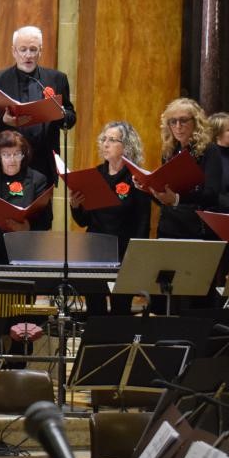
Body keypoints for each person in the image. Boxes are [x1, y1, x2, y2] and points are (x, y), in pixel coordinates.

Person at [0, 26, 75, 200]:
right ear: (14, 51)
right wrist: (4, 121)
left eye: (33, 49)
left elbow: (70, 117)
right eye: (23, 49)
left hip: (43, 162)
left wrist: (59, 114)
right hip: (7, 161)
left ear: (41, 51)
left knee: (41, 220)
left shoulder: (57, 79)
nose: (28, 55)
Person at [68, 121, 151, 315]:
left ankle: (117, 344)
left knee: (120, 310)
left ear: (127, 145)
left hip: (123, 253)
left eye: (112, 140)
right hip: (95, 252)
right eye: (104, 139)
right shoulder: (96, 174)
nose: (105, 144)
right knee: (95, 309)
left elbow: (143, 222)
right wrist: (75, 206)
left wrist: (135, 256)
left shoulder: (136, 178)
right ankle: (96, 344)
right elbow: (84, 221)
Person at [0, 130, 51, 265]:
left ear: (24, 155)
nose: (11, 160)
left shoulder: (37, 180)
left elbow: (46, 221)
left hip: (23, 254)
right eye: (6, 155)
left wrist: (26, 227)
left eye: (17, 154)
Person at [146, 98, 223, 240]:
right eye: (173, 121)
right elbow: (166, 195)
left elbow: (211, 194)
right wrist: (149, 188)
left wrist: (177, 199)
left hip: (195, 228)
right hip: (169, 226)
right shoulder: (170, 151)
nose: (178, 126)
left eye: (183, 120)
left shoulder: (209, 150)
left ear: (196, 122)